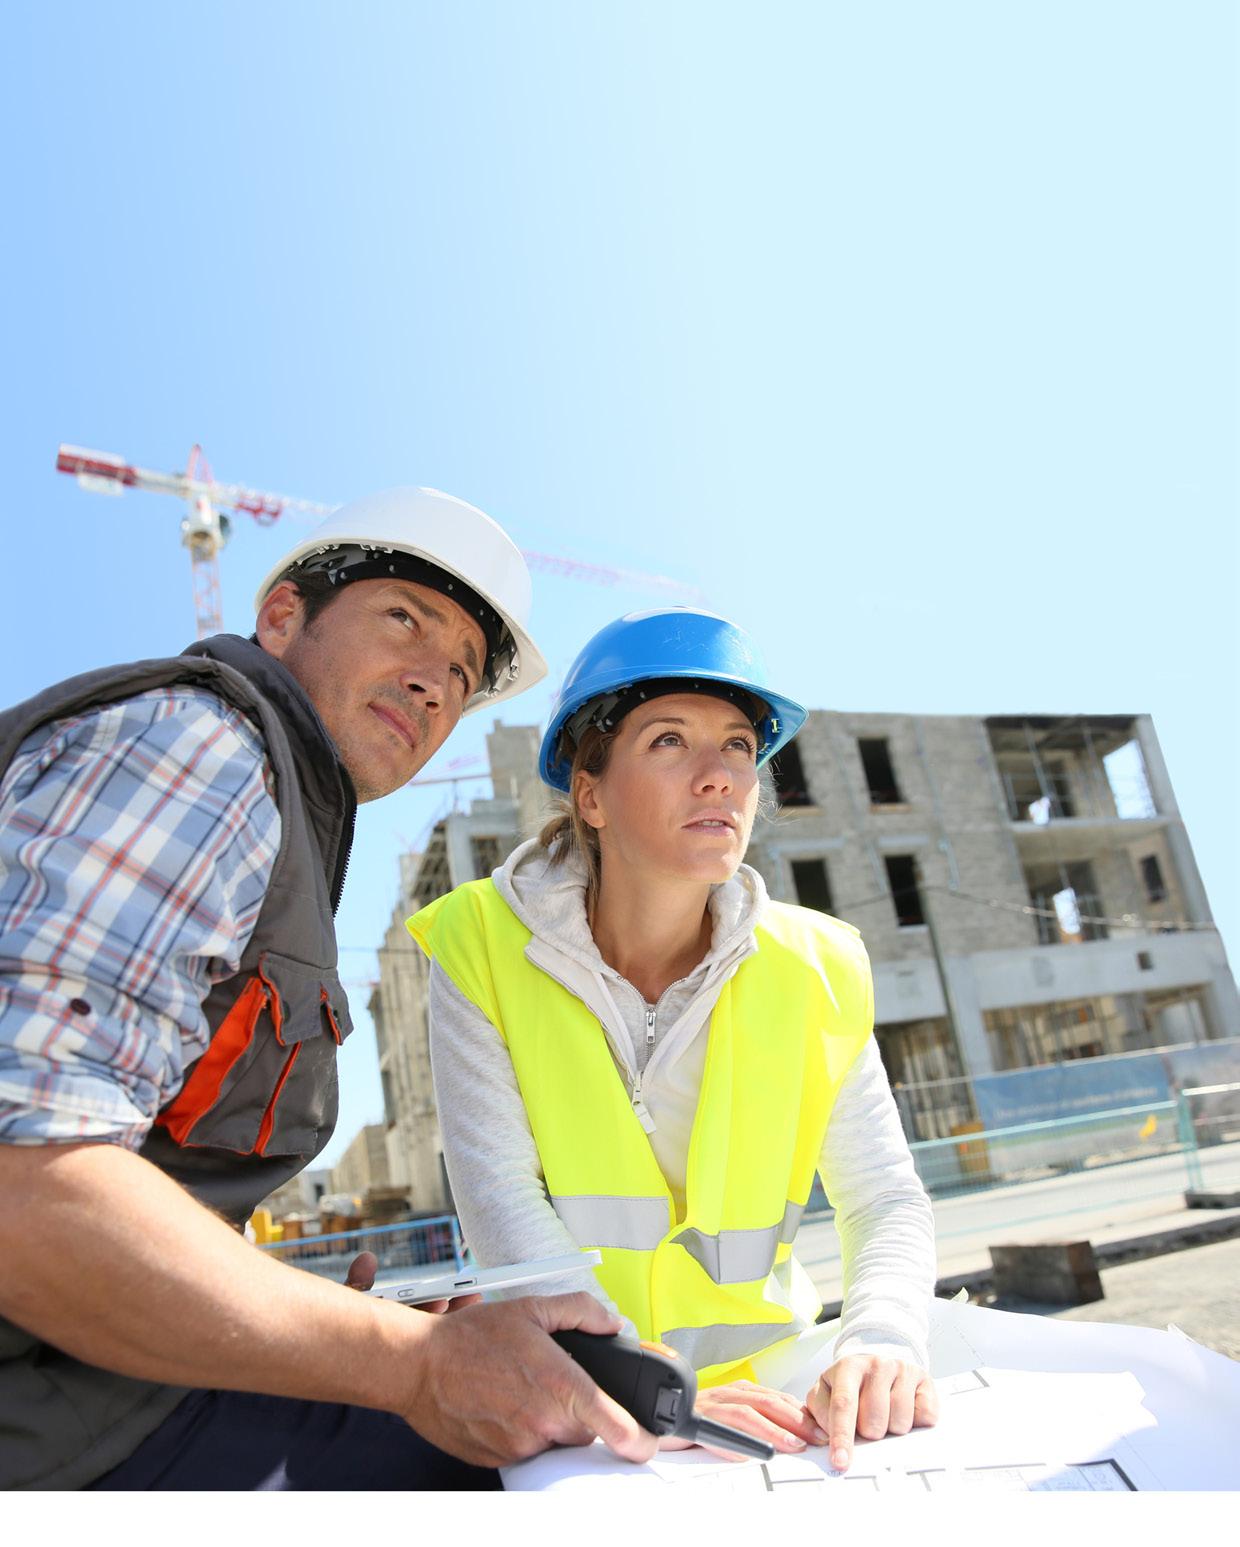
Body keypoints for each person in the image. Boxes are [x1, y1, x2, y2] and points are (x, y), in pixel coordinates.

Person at [0, 488, 657, 1490]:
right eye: (404, 618)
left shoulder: (285, 811)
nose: (434, 683)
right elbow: (24, 1183)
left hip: (100, 1389)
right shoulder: (206, 750)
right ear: (281, 617)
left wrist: (334, 1324)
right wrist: (408, 1363)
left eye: (462, 673)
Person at [412, 608, 939, 1473]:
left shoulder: (818, 966)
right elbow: (501, 1203)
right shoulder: (479, 944)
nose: (718, 776)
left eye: (738, 746)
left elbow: (884, 1197)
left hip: (782, 1408)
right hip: (580, 1401)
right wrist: (642, 1382)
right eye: (669, 741)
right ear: (590, 795)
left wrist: (882, 1336)